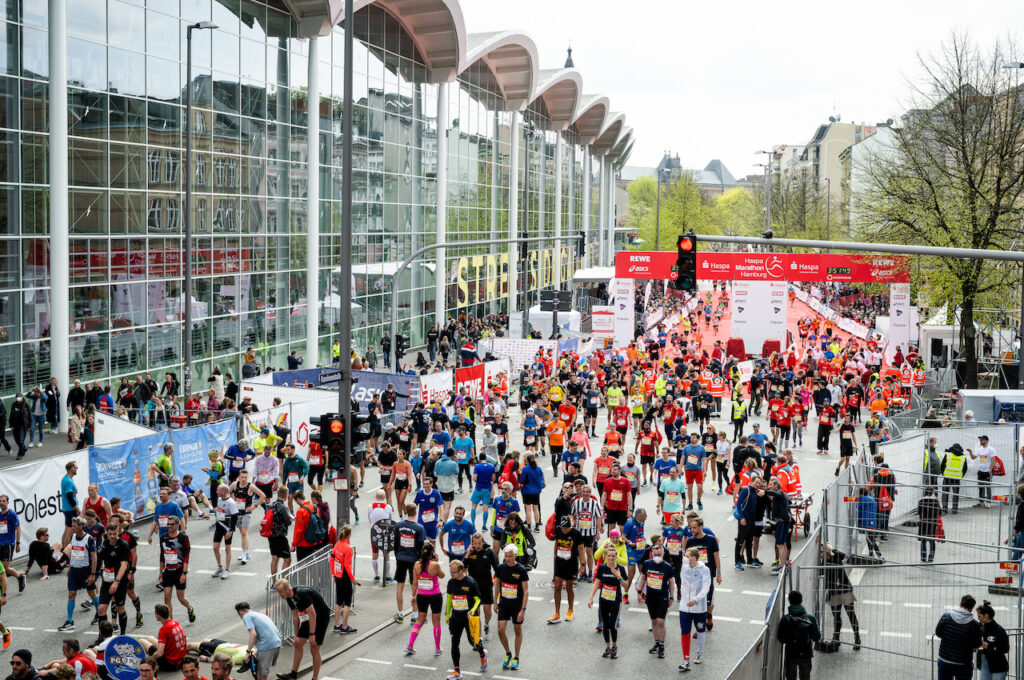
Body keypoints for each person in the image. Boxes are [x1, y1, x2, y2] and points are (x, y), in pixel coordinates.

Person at [273, 578, 330, 680]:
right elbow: (295, 616)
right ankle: (293, 675)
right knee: (298, 643)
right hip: (308, 617)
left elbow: (313, 614)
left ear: (287, 589)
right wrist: (295, 635)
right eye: (278, 592)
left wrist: (312, 635)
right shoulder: (288, 597)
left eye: (280, 591)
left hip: (321, 617)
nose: (279, 594)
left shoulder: (302, 594)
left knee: (314, 648)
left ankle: (315, 678)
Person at [444, 559, 487, 679]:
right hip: (456, 617)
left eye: (453, 572)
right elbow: (449, 599)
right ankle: (457, 671)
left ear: (461, 571)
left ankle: (482, 653)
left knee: (472, 641)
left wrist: (472, 611)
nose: (451, 575)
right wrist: (447, 615)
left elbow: (478, 600)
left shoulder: (470, 582)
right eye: (450, 572)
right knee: (454, 644)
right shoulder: (451, 582)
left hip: (468, 617)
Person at [56, 517, 98, 632]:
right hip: (74, 570)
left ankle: (100, 614)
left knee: (91, 593)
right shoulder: (73, 537)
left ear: (81, 526)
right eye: (72, 526)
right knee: (71, 594)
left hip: (85, 570)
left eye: (74, 526)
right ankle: (70, 621)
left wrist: (92, 574)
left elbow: (94, 557)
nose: (72, 528)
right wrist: (70, 566)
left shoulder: (89, 539)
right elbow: (73, 552)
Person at [406, 542, 445, 656]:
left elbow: (414, 583)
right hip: (435, 595)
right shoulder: (435, 565)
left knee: (419, 621)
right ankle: (437, 648)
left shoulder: (416, 565)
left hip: (422, 596)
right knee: (436, 622)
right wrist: (436, 562)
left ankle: (410, 645)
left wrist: (413, 597)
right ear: (432, 553)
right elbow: (442, 575)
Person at [493, 544, 528, 671]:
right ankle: (508, 653)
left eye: (510, 556)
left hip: (517, 604)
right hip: (504, 603)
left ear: (515, 556)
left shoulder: (521, 570)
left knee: (517, 630)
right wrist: (495, 602)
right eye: (506, 556)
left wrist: (523, 610)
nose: (507, 559)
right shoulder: (501, 568)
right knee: (500, 630)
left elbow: (526, 591)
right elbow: (497, 585)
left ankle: (517, 657)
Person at [677, 546, 711, 672]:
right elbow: (681, 581)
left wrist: (696, 599)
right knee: (685, 632)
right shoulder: (684, 567)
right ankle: (686, 660)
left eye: (688, 555)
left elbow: (706, 587)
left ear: (694, 557)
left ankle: (699, 654)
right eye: (685, 555)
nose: (685, 557)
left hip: (699, 608)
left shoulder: (704, 569)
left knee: (700, 631)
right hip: (684, 607)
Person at [821, 542, 860, 649]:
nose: (819, 554)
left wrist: (833, 549)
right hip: (834, 593)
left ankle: (857, 638)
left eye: (821, 551)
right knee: (836, 617)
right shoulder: (822, 563)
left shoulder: (836, 556)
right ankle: (836, 638)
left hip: (845, 590)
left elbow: (843, 555)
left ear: (827, 551)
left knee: (851, 615)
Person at [94, 520, 131, 634]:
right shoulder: (105, 543)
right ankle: (103, 637)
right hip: (107, 580)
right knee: (101, 609)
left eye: (114, 534)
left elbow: (124, 565)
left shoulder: (123, 545)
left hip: (119, 582)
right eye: (110, 534)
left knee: (120, 609)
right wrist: (94, 575)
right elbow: (99, 559)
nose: (112, 536)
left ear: (118, 532)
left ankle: (123, 634)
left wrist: (116, 582)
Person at [934, 594, 982, 680]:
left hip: (944, 660)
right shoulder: (974, 624)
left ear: (960, 604)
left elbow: (938, 633)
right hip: (963, 663)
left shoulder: (946, 617)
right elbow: (978, 644)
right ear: (971, 609)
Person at [777, 590, 821, 680]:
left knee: (790, 677)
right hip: (806, 652)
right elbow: (817, 637)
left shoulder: (786, 619)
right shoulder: (810, 618)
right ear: (801, 601)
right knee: (805, 677)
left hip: (791, 653)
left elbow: (781, 638)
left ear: (789, 601)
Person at [549, 516, 584, 624]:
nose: (564, 530)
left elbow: (581, 549)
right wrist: (554, 558)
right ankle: (557, 613)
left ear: (571, 526)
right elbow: (556, 544)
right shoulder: (559, 530)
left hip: (571, 563)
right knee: (557, 586)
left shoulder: (576, 534)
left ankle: (570, 610)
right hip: (560, 562)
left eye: (566, 528)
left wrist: (582, 565)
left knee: (569, 587)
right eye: (563, 528)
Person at [393, 503, 425, 621]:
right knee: (414, 586)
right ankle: (414, 615)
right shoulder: (419, 528)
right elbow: (421, 546)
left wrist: (397, 555)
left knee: (399, 585)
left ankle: (400, 613)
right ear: (416, 512)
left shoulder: (398, 525)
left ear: (405, 511)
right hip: (414, 560)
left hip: (401, 558)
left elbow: (395, 542)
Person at [234, 602, 283, 680]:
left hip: (267, 645)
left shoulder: (246, 616)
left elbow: (253, 634)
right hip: (277, 643)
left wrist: (248, 652)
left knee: (262, 673)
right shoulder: (260, 615)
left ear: (240, 612)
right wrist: (257, 650)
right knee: (261, 670)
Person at [328, 525, 358, 634]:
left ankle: (336, 625)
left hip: (338, 575)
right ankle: (344, 627)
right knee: (347, 603)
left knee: (338, 601)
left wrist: (333, 573)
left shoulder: (337, 545)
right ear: (349, 535)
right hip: (345, 577)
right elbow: (346, 565)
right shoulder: (348, 548)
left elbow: (331, 560)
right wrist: (353, 579)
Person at [976, 600, 1009, 680]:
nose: (978, 619)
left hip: (998, 667)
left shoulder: (999, 630)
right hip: (984, 665)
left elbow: (1006, 649)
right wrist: (977, 647)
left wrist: (990, 646)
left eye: (979, 616)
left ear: (986, 616)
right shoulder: (980, 627)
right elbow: (980, 646)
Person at [940, 443, 967, 514]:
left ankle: (944, 509)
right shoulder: (963, 457)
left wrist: (944, 474)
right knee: (955, 494)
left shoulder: (948, 455)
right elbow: (965, 469)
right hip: (957, 479)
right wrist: (960, 476)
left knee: (945, 493)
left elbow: (942, 466)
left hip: (947, 478)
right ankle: (955, 509)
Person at [918, 486, 942, 563]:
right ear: (932, 493)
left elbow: (919, 512)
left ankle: (923, 558)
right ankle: (931, 558)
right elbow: (940, 512)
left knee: (923, 541)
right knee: (932, 541)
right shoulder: (936, 501)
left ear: (925, 492)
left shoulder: (921, 501)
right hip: (933, 524)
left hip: (923, 524)